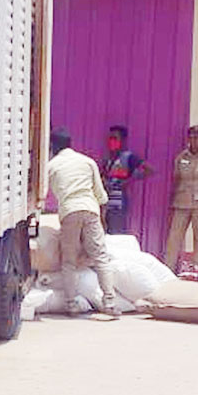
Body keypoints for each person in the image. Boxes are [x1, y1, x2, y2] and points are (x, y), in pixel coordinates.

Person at [48, 127, 120, 317]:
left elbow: (42, 193)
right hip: (90, 209)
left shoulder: (52, 166)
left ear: (52, 147)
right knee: (101, 257)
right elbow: (101, 195)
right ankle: (110, 303)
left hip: (69, 211)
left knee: (69, 261)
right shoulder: (87, 162)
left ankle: (71, 304)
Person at [100, 125, 153, 234]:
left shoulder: (129, 157)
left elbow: (149, 170)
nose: (112, 142)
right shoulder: (107, 159)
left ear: (123, 141)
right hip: (106, 202)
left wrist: (130, 180)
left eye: (115, 138)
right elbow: (102, 175)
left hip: (119, 202)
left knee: (117, 233)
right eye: (110, 139)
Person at [165, 125, 198, 272]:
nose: (193, 140)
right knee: (174, 237)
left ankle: (197, 270)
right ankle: (168, 269)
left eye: (197, 137)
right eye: (191, 137)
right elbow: (176, 179)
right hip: (181, 202)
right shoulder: (181, 158)